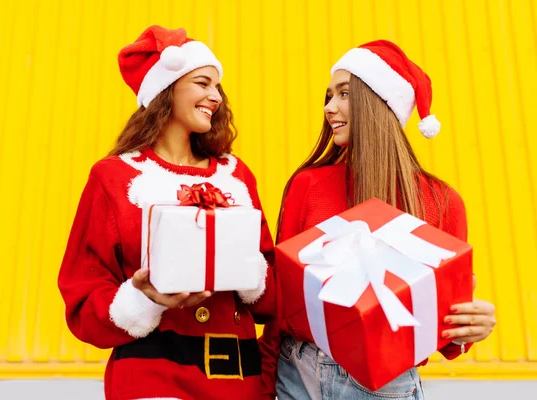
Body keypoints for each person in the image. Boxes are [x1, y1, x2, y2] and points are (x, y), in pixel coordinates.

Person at [259, 40, 497, 400]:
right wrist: (262, 388)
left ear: (379, 104)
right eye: (328, 96)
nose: (329, 107)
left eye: (344, 94)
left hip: (385, 384)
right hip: (297, 374)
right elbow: (281, 305)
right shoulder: (307, 186)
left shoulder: (442, 203)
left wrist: (469, 329)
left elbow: (445, 339)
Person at [58, 25, 275, 400]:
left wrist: (247, 269)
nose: (216, 97)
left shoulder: (235, 175)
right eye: (203, 83)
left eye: (218, 88)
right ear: (166, 89)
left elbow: (274, 297)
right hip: (152, 377)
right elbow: (83, 299)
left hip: (238, 380)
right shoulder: (115, 177)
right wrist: (144, 299)